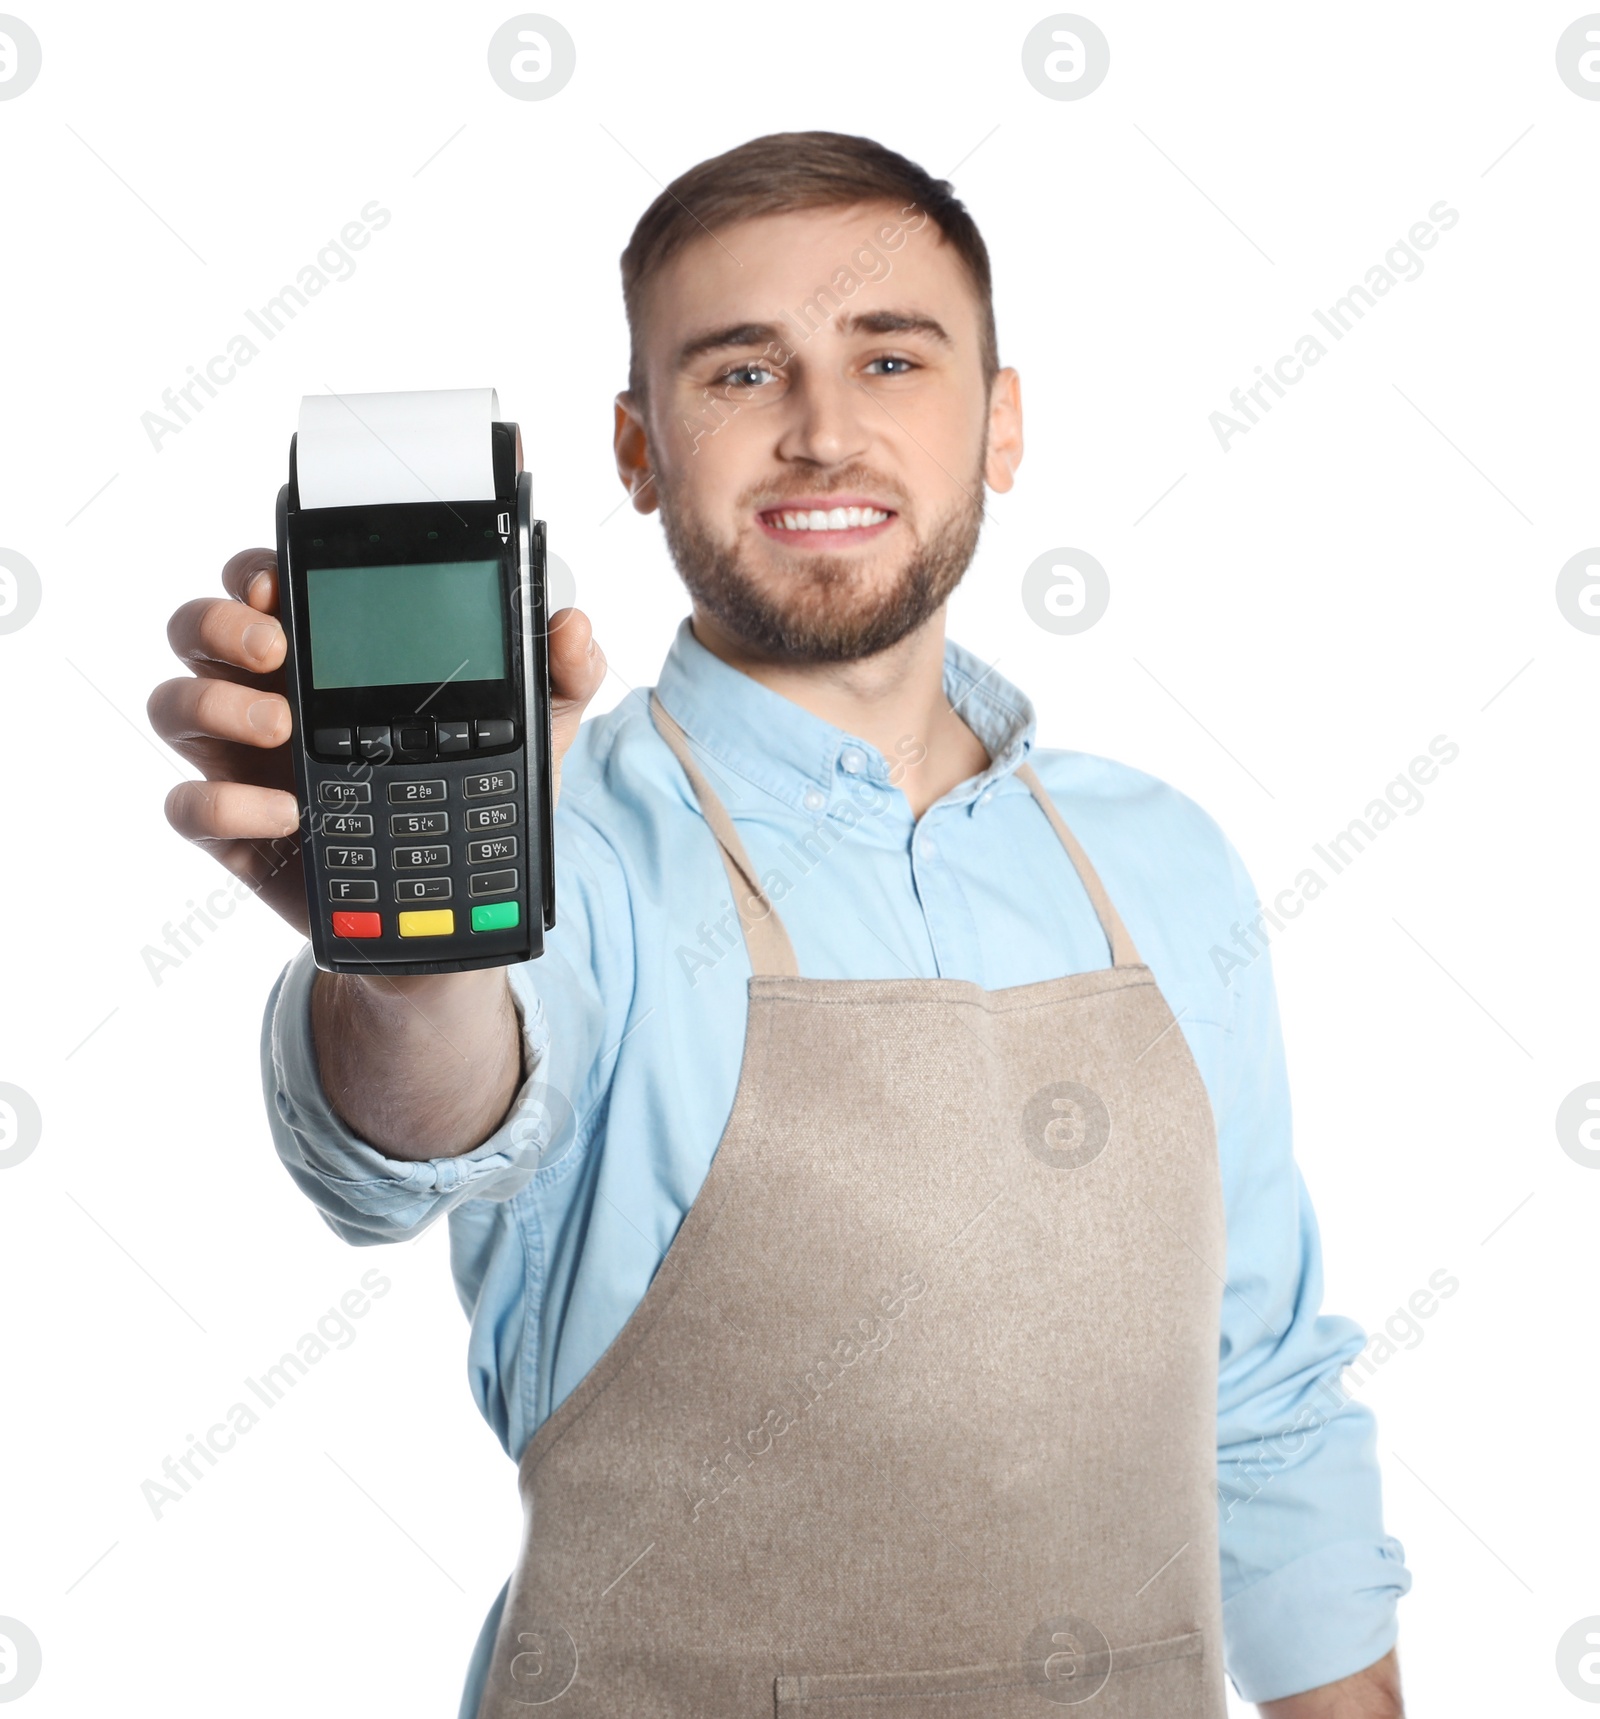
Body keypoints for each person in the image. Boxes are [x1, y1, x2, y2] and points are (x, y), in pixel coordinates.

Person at [148, 130, 1410, 1718]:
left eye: (891, 357)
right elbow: (420, 1126)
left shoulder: (1162, 862)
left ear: (1000, 424)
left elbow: (1268, 1398)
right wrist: (412, 967)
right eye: (743, 375)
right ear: (637, 449)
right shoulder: (576, 857)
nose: (825, 432)